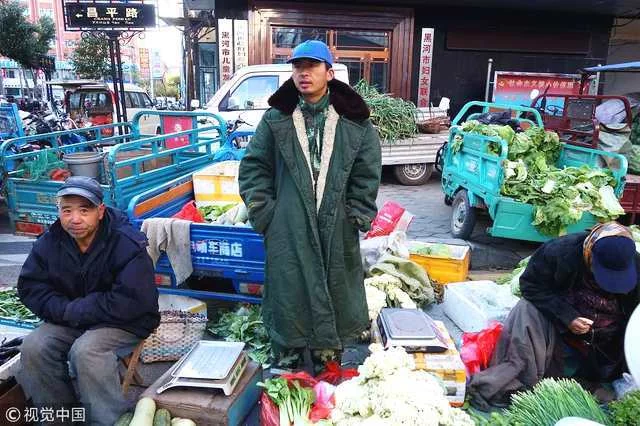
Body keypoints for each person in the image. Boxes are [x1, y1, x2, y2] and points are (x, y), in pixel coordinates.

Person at [238, 40, 382, 373]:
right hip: (287, 224)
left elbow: (367, 172)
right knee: (289, 292)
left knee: (335, 291)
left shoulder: (354, 122)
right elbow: (253, 167)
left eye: (313, 66)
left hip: (337, 226)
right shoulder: (277, 119)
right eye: (298, 67)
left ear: (329, 73)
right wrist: (265, 213)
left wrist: (356, 213)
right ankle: (287, 362)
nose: (304, 74)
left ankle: (326, 363)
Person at [17, 176, 160, 426]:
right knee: (34, 347)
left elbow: (133, 300)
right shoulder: (50, 242)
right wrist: (65, 310)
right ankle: (61, 419)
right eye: (67, 210)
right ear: (59, 211)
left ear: (100, 211)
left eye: (85, 210)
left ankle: (107, 421)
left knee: (87, 352)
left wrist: (76, 310)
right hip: (70, 317)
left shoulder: (125, 242)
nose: (75, 219)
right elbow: (31, 287)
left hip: (124, 321)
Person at [469, 222, 640, 410]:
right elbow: (530, 286)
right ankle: (519, 383)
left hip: (606, 344)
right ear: (590, 256)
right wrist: (568, 317)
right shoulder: (561, 251)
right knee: (526, 309)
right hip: (559, 330)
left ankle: (587, 381)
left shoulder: (636, 264)